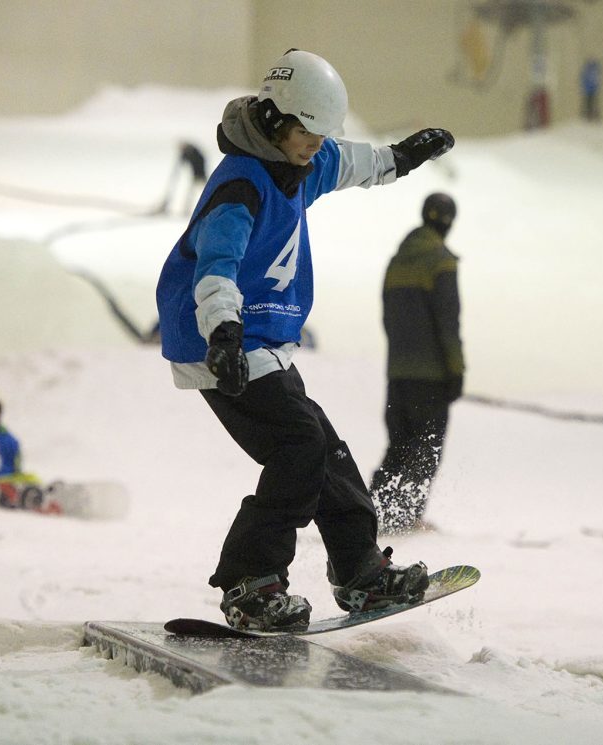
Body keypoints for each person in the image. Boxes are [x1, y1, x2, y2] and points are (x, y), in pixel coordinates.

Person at [155, 49, 452, 632]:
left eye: (321, 136)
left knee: (324, 450)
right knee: (297, 449)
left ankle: (360, 571)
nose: (317, 145)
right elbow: (215, 269)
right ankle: (251, 583)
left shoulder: (300, 160)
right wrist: (224, 335)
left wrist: (403, 157)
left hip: (260, 342)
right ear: (274, 121)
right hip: (220, 344)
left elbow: (352, 162)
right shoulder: (239, 189)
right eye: (308, 134)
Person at [370, 193, 464, 534]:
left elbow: (386, 317)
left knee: (398, 446)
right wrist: (456, 370)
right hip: (432, 376)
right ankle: (407, 517)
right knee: (426, 449)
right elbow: (448, 322)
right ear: (449, 221)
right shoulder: (441, 262)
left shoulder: (397, 262)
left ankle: (373, 514)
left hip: (398, 373)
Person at [161, 141, 208, 215]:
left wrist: (198, 175)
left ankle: (206, 207)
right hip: (196, 175)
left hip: (200, 175)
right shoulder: (188, 153)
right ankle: (187, 209)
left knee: (205, 191)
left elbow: (200, 164)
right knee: (192, 193)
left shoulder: (195, 153)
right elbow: (180, 163)